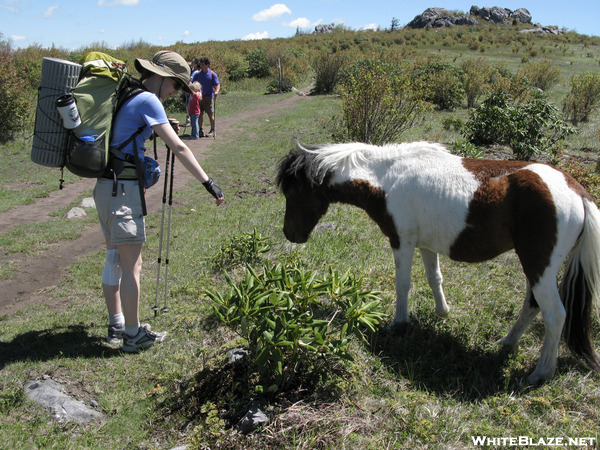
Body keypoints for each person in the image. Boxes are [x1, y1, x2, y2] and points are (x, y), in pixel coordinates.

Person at [93, 50, 224, 352]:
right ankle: (132, 334)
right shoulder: (148, 99)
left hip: (105, 187)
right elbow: (178, 147)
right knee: (132, 265)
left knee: (116, 257)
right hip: (122, 191)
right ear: (162, 76)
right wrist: (208, 182)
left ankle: (117, 323)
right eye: (176, 85)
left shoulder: (128, 94)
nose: (175, 92)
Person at [190, 57, 220, 137]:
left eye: (203, 64)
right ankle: (201, 130)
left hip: (208, 97)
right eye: (201, 64)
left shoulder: (212, 74)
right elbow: (192, 82)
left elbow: (217, 84)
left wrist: (216, 91)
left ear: (207, 65)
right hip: (199, 97)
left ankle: (212, 129)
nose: (201, 66)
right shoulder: (198, 74)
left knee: (210, 114)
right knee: (200, 114)